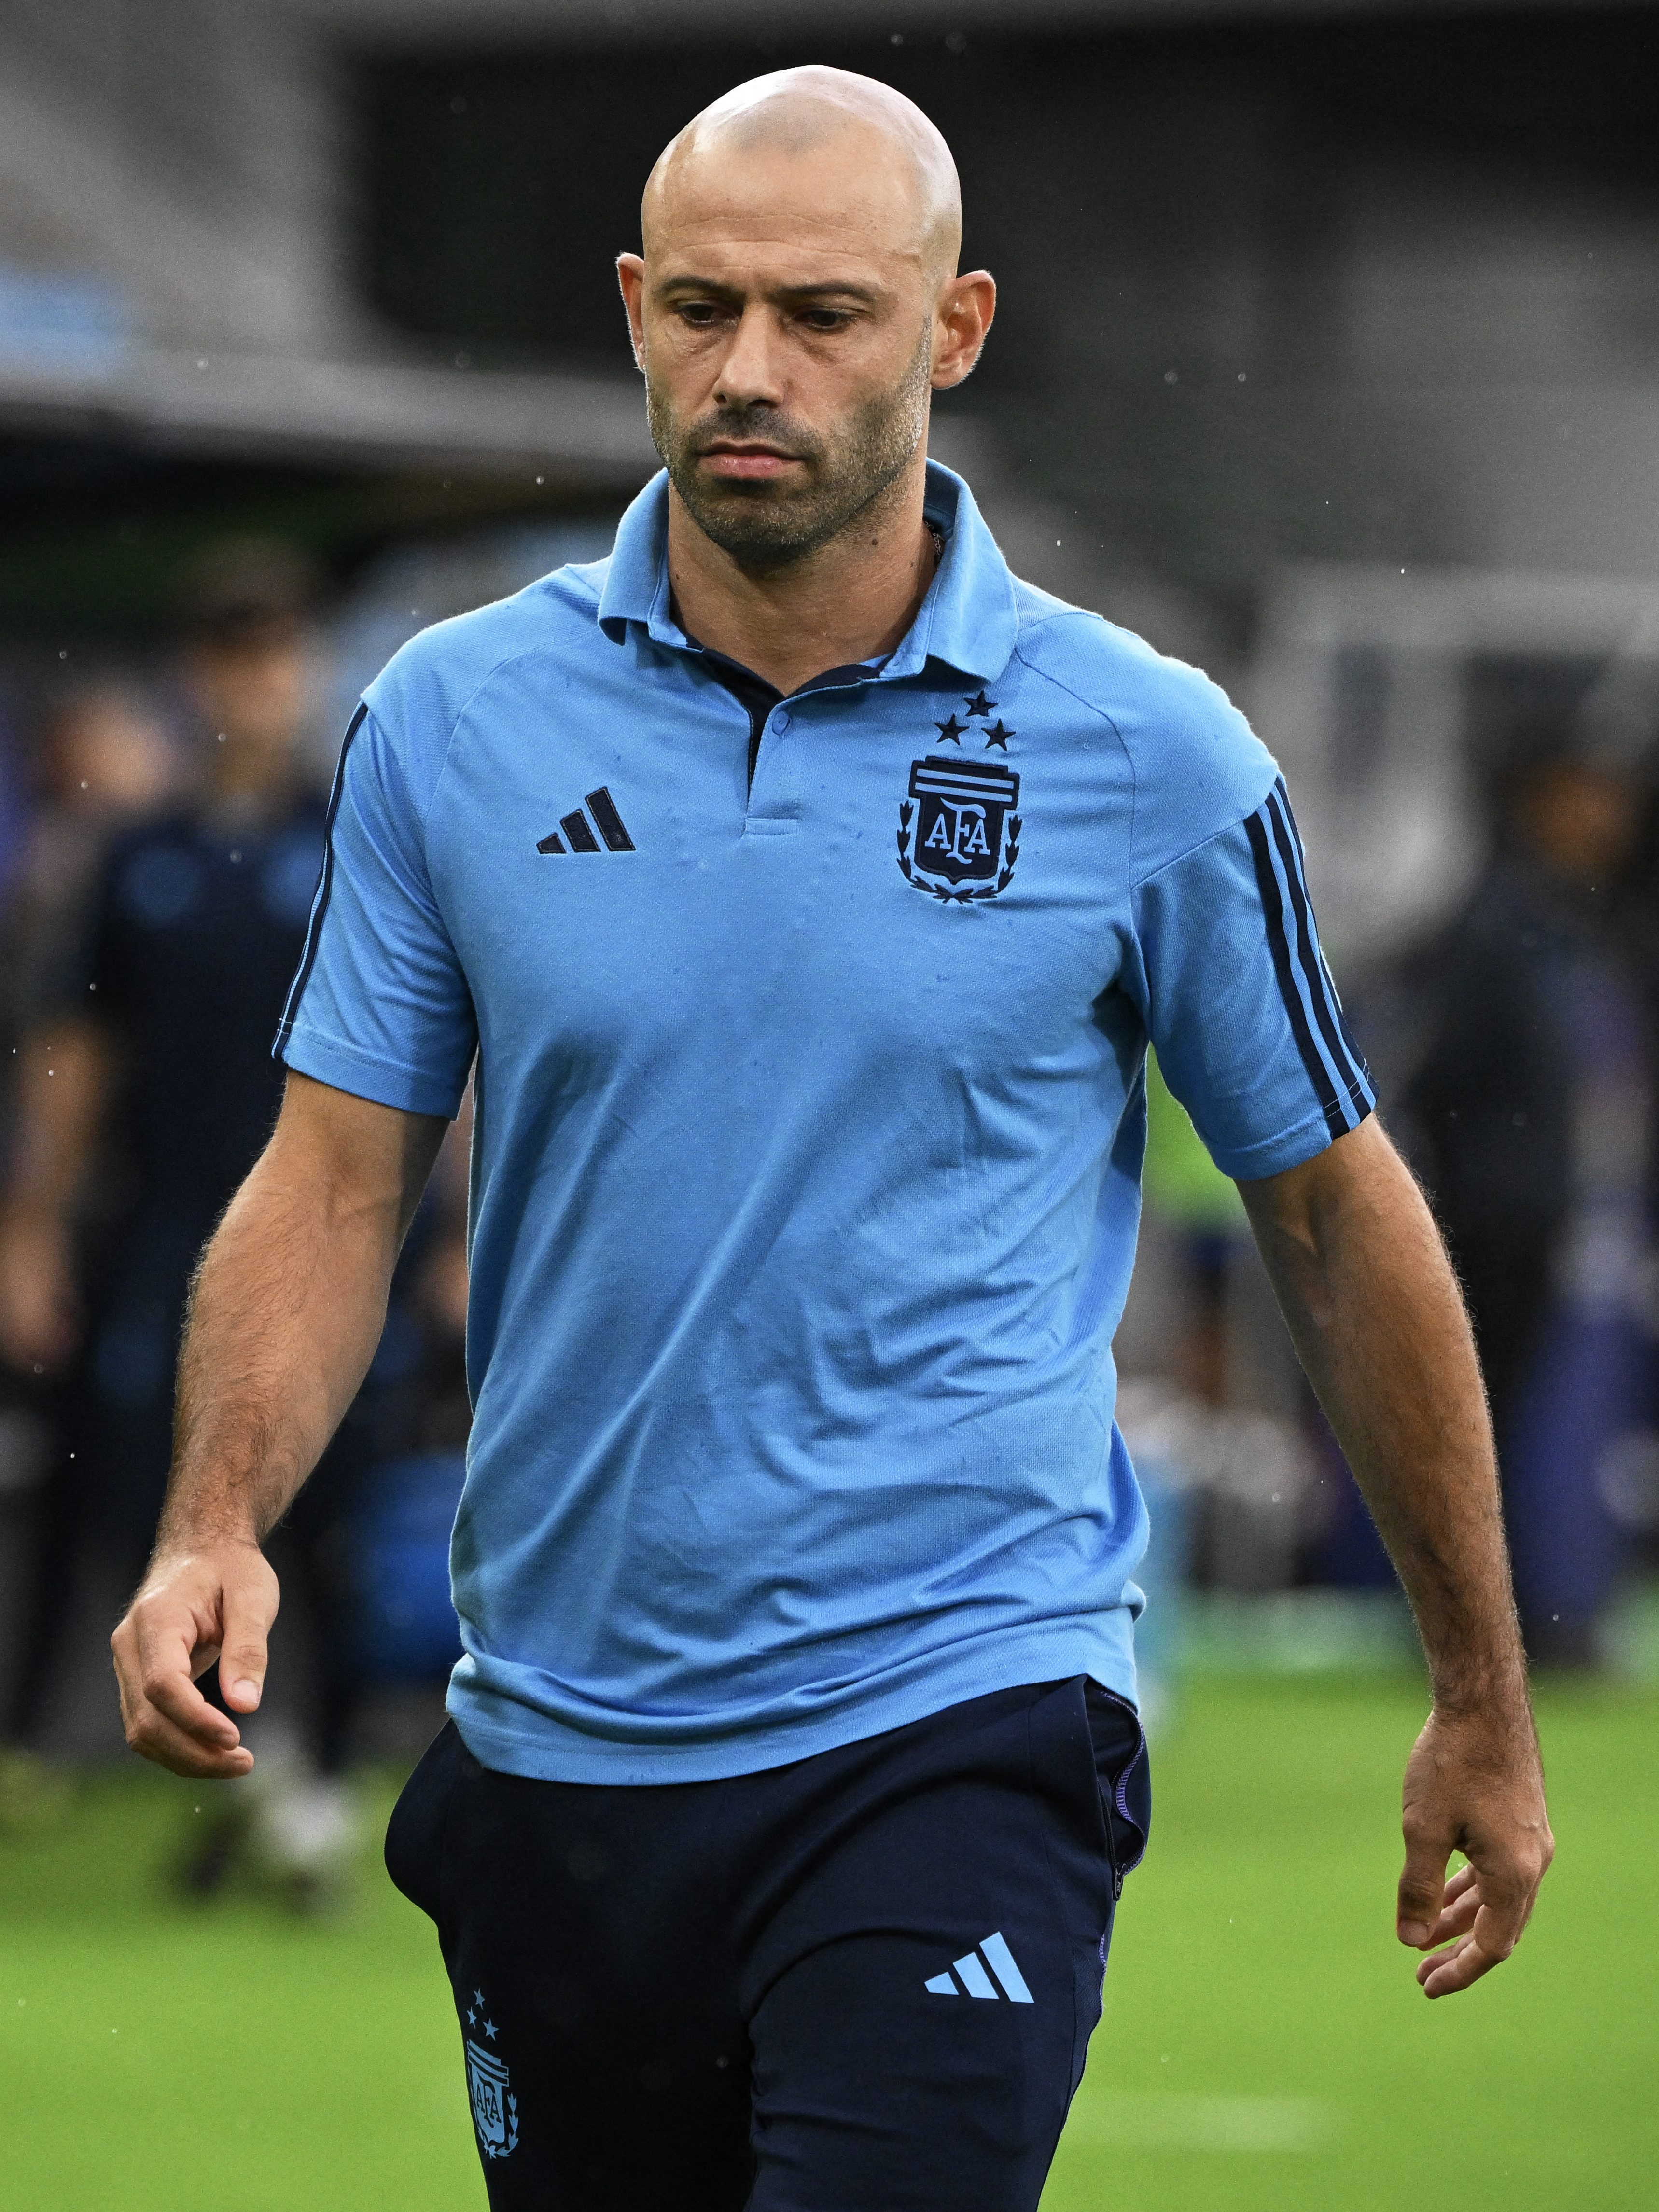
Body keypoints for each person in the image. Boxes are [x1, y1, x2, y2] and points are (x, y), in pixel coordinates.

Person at [112, 68, 1552, 2211]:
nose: (748, 371)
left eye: (824, 314)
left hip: (956, 1713)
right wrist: (214, 1515)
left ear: (953, 330)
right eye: (699, 309)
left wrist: (1474, 1686)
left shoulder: (1145, 753)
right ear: (629, 309)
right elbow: (339, 1172)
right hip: (557, 1742)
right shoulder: (449, 720)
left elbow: (1330, 1210)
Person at [0, 549, 370, 1893]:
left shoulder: (352, 838)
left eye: (273, 651)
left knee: (323, 1499)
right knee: (147, 1495)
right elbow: (77, 1056)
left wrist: (447, 1235)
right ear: (192, 673)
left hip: (330, 1235)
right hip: (161, 1238)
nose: (252, 681)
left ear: (305, 669)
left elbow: (442, 1054)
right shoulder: (138, 856)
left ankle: (316, 1784)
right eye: (227, 652)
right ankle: (220, 1776)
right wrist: (32, 1229)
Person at [1403, 736, 1654, 1663]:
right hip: (1494, 1221)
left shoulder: (1574, 923)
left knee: (1532, 1419)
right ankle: (1473, 1630)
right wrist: (1486, 1187)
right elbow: (1442, 1078)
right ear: (1541, 799)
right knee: (1480, 1422)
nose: (1609, 820)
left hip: (1554, 1218)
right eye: (1589, 797)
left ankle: (1526, 1619)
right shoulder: (1495, 925)